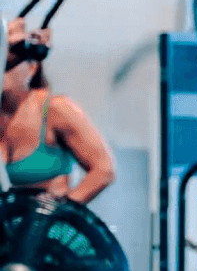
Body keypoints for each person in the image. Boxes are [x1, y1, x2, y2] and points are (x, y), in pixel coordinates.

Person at [0, 50, 115, 203]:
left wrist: (60, 210)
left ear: (32, 67)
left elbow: (104, 171)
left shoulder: (56, 109)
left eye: (7, 64)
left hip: (49, 216)